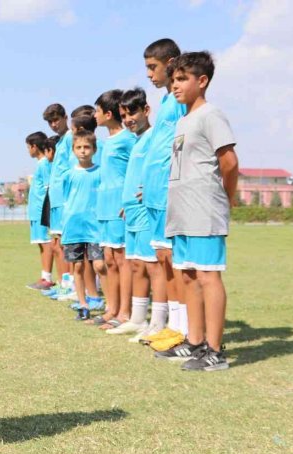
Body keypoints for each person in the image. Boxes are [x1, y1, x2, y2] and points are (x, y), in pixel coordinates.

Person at [155, 51, 238, 371]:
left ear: (202, 81)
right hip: (181, 210)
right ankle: (195, 342)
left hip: (204, 208)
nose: (175, 85)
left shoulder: (210, 115)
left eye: (182, 79)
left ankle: (215, 351)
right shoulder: (184, 119)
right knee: (188, 275)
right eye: (173, 79)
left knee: (207, 275)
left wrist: (225, 197)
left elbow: (229, 162)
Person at [139, 38, 189, 350]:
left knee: (173, 259)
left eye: (152, 67)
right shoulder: (167, 101)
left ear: (170, 63)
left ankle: (183, 329)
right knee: (161, 257)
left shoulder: (180, 100)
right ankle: (172, 324)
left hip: (172, 192)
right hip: (155, 193)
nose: (148, 74)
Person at [107, 88, 156, 337]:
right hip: (131, 211)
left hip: (148, 212)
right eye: (124, 115)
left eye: (132, 113)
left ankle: (158, 322)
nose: (127, 119)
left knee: (152, 266)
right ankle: (137, 319)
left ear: (146, 110)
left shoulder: (153, 137)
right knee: (136, 264)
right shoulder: (136, 140)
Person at [93, 90, 138, 331]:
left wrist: (130, 198)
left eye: (97, 110)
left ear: (108, 114)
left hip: (121, 205)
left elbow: (137, 168)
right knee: (109, 258)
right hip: (104, 205)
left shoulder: (128, 139)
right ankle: (111, 308)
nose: (94, 115)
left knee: (122, 259)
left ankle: (125, 312)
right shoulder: (104, 143)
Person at [61, 131, 104, 321]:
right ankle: (83, 304)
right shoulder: (69, 175)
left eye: (87, 147)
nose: (83, 151)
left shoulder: (100, 172)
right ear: (73, 150)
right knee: (77, 267)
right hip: (73, 227)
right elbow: (66, 199)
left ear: (94, 149)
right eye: (79, 147)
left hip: (95, 227)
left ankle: (109, 303)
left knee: (100, 265)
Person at [42, 104, 72, 297]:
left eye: (56, 120)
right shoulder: (59, 142)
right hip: (56, 200)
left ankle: (69, 285)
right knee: (57, 244)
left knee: (63, 245)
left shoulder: (70, 139)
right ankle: (63, 283)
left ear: (65, 117)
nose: (53, 125)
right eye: (50, 122)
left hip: (64, 200)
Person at [24, 131, 54, 290]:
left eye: (28, 147)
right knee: (41, 244)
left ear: (34, 146)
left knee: (46, 243)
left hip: (42, 211)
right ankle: (44, 276)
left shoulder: (45, 164)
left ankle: (48, 277)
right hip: (35, 212)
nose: (28, 150)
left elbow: (48, 188)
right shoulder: (40, 164)